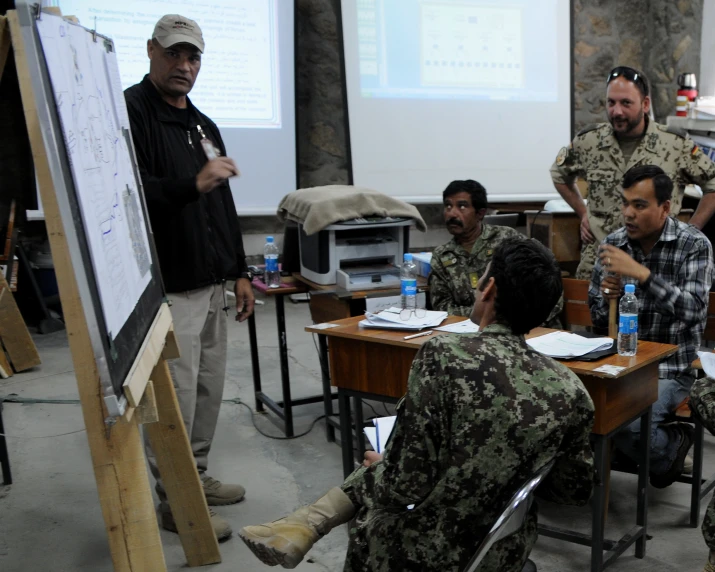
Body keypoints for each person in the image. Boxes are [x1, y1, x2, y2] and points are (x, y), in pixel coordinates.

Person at [240, 238, 595, 571]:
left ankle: (309, 520)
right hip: (502, 551)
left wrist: (384, 466)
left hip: (424, 550)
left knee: (379, 469)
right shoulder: (571, 388)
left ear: (489, 288)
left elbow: (405, 484)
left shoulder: (445, 355)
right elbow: (573, 490)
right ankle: (307, 522)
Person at [124, 14, 255, 540]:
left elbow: (221, 201)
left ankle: (194, 476)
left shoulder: (203, 124)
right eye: (174, 54)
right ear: (152, 51)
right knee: (173, 401)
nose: (184, 66)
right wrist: (191, 183)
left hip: (211, 284)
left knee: (206, 390)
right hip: (168, 288)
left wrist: (240, 271)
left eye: (193, 57)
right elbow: (130, 196)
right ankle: (174, 502)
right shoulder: (131, 113)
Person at [589, 165, 713, 488]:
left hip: (670, 369)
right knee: (573, 410)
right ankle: (651, 451)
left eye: (639, 205)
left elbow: (694, 312)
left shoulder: (694, 245)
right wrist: (605, 297)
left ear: (665, 208)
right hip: (618, 364)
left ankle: (671, 447)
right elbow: (598, 319)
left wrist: (643, 276)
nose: (628, 214)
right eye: (625, 203)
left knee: (630, 426)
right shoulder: (614, 244)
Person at [551, 66, 715, 279]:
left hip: (655, 268)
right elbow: (560, 175)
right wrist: (583, 213)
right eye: (611, 103)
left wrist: (691, 230)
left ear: (645, 104)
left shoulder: (675, 145)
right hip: (600, 267)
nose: (617, 111)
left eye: (626, 103)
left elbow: (712, 184)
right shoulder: (589, 141)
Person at [429, 179, 562, 327]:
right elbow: (442, 310)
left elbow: (546, 278)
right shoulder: (442, 255)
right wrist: (491, 313)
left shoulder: (506, 239)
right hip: (470, 333)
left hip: (526, 328)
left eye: (462, 206)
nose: (452, 214)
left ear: (480, 213)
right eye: (448, 206)